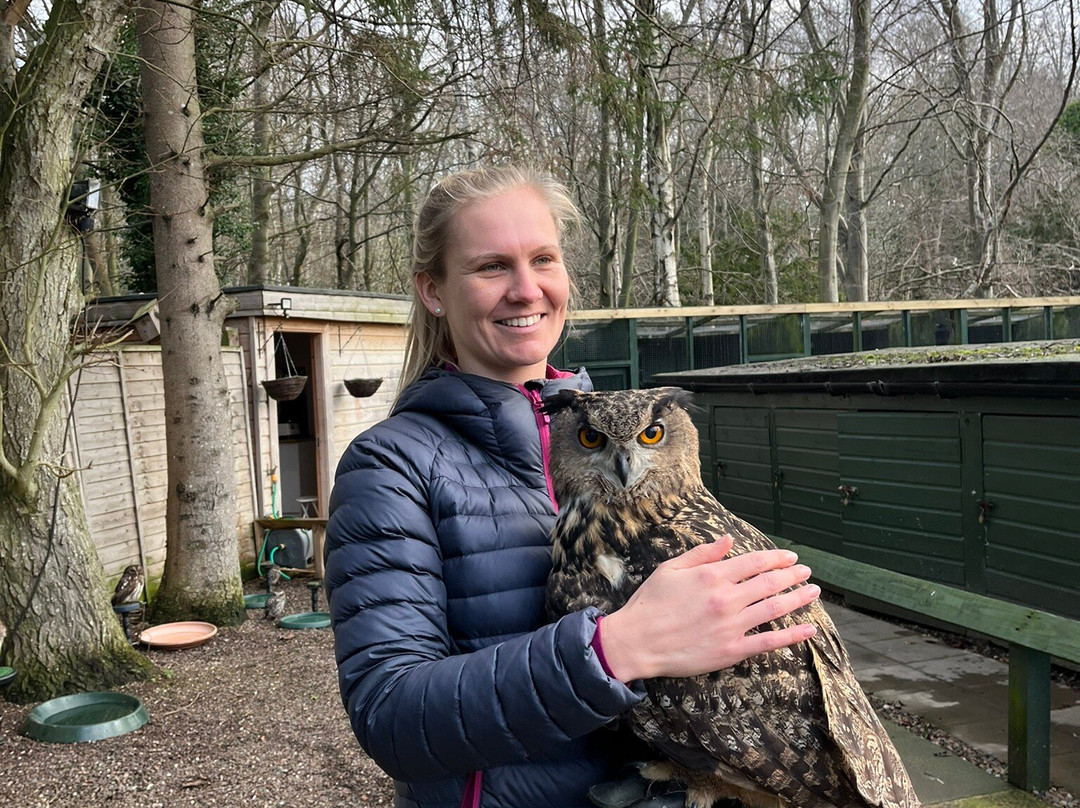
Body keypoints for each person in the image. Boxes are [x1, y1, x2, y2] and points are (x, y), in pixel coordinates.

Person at [323, 164, 821, 808]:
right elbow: (391, 715)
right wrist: (614, 649)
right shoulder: (393, 466)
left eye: (543, 259)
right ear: (434, 290)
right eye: (491, 266)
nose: (525, 289)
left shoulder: (625, 427)